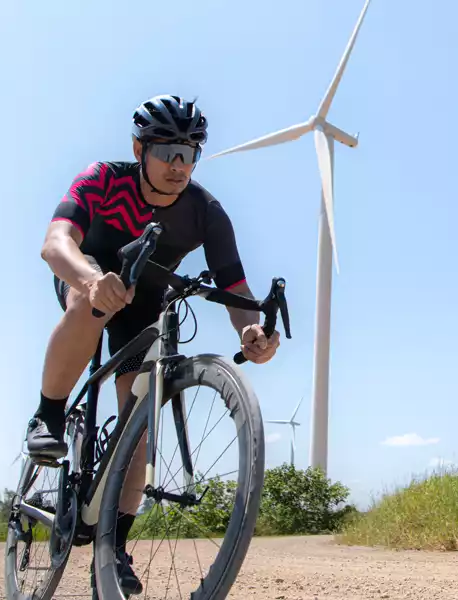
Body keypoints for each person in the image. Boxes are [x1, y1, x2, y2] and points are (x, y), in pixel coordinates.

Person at [24, 94, 280, 595]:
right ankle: (48, 414)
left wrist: (249, 331)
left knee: (139, 424)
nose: (178, 166)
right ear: (139, 148)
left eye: (189, 154)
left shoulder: (205, 212)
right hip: (88, 276)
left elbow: (237, 290)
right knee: (89, 303)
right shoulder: (103, 178)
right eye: (167, 153)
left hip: (146, 301)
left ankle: (113, 547)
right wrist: (90, 278)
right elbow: (55, 244)